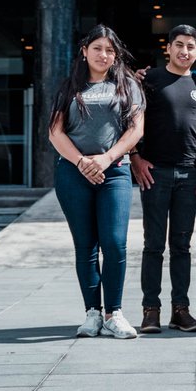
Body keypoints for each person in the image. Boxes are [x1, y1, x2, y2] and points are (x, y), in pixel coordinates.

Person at [47, 25, 145, 339]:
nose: (103, 55)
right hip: (73, 173)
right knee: (86, 245)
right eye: (97, 48)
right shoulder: (69, 87)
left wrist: (106, 159)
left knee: (114, 243)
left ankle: (114, 314)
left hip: (114, 171)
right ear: (84, 51)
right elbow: (55, 133)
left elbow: (136, 129)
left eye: (109, 50)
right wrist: (82, 162)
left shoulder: (127, 85)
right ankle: (92, 313)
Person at [131, 25, 196, 334]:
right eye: (178, 44)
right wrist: (135, 158)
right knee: (153, 245)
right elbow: (131, 122)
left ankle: (181, 310)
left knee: (182, 245)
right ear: (168, 48)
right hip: (156, 174)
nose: (184, 51)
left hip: (189, 174)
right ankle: (150, 310)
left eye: (190, 46)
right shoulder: (148, 80)